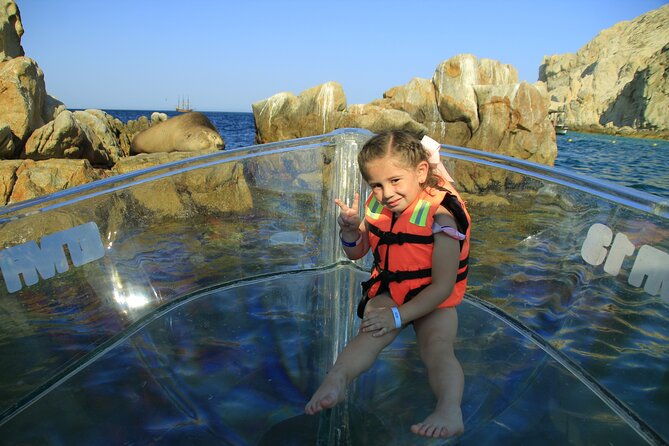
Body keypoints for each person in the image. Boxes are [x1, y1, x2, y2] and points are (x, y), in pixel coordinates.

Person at [304, 130, 471, 439]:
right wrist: (351, 232)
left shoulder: (442, 217)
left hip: (433, 300)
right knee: (368, 332)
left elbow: (443, 287)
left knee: (437, 349)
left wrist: (398, 316)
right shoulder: (379, 207)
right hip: (394, 290)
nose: (387, 193)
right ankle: (337, 380)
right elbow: (357, 253)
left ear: (421, 172)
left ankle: (450, 410)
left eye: (395, 181)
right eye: (376, 185)